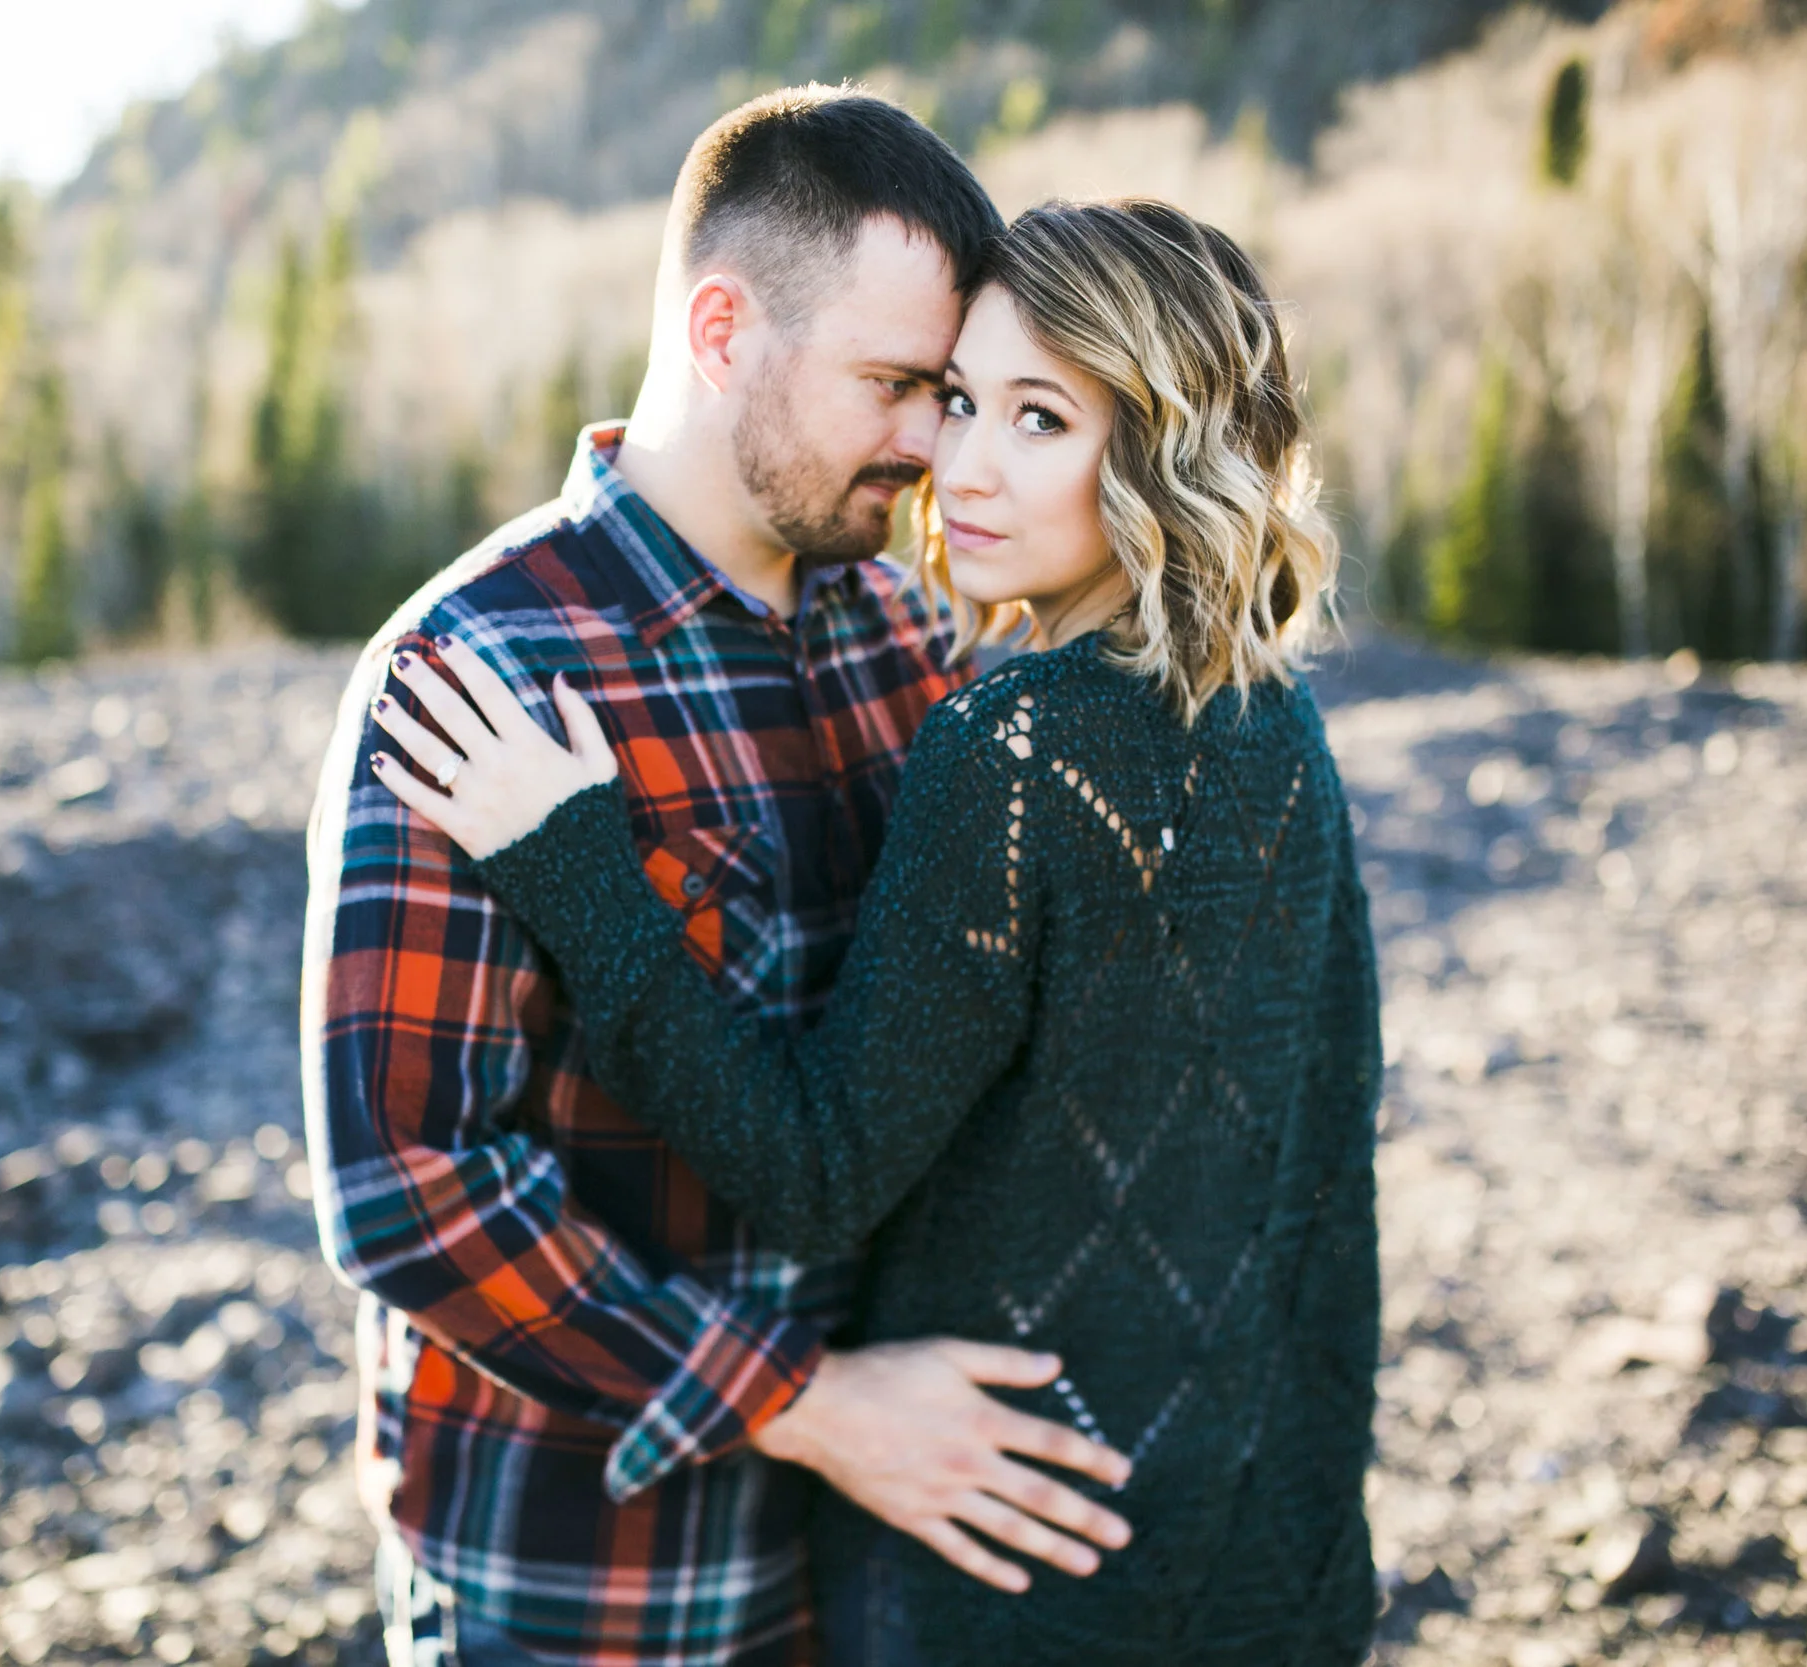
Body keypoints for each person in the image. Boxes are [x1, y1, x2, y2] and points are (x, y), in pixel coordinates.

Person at [372, 199, 1384, 1666]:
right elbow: (1311, 1163)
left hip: (1003, 1572)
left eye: (1039, 419)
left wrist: (577, 863)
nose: (956, 465)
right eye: (955, 398)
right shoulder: (1275, 721)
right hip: (1266, 1560)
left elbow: (817, 1170)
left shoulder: (1017, 744)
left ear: (1166, 449)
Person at [301, 91, 1132, 1667]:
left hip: (886, 1540)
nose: (925, 443)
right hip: (590, 1573)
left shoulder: (910, 640)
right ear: (723, 326)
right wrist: (812, 1405)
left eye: (946, 393)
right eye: (892, 385)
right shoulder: (480, 664)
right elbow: (404, 1178)